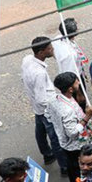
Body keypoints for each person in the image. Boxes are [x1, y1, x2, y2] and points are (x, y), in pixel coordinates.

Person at [23, 36, 67, 174]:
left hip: (37, 108)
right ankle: (64, 166)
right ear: (41, 52)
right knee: (56, 137)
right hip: (45, 109)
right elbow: (42, 99)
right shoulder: (39, 73)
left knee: (40, 132)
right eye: (49, 49)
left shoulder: (27, 60)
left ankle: (47, 155)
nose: (52, 50)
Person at [48, 72, 92, 182]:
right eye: (76, 82)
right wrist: (87, 116)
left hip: (65, 141)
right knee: (77, 168)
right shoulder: (67, 110)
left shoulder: (54, 99)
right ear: (70, 89)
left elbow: (48, 114)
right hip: (74, 146)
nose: (79, 83)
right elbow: (72, 132)